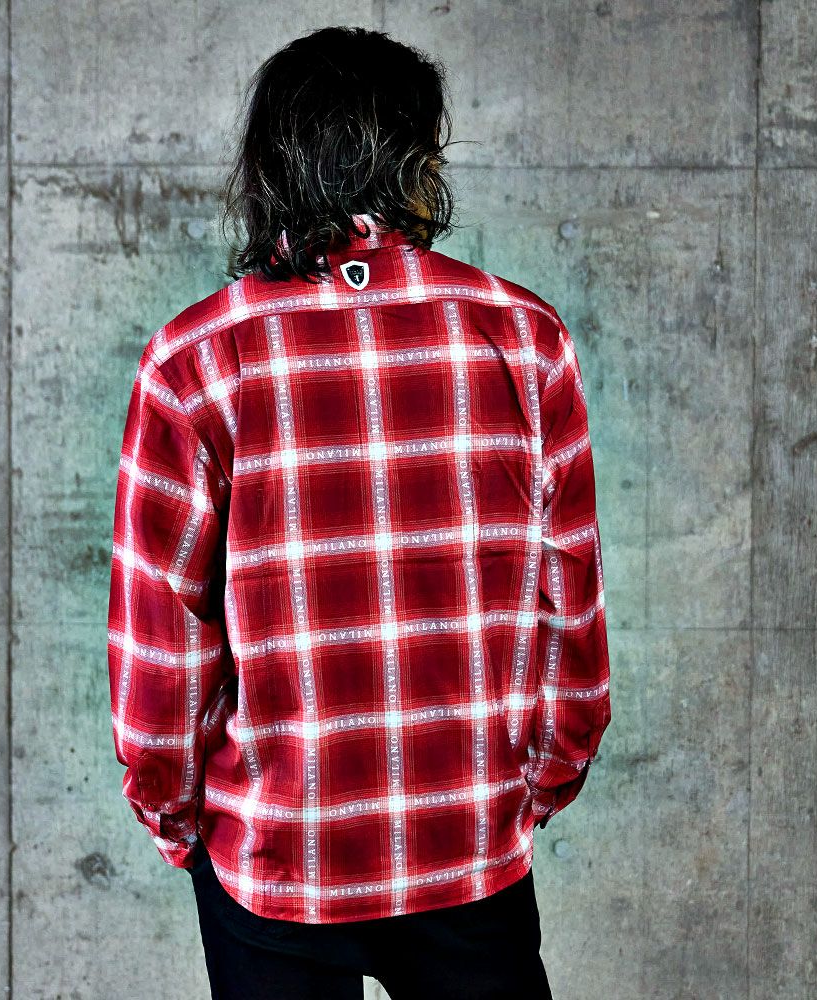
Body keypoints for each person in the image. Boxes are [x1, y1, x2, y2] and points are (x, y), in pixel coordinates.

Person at [106, 24, 611, 1000]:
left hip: (275, 856)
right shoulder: (524, 338)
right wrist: (537, 781)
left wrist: (177, 815)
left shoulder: (194, 359)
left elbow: (160, 645)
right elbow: (571, 612)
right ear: (415, 160)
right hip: (466, 843)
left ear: (269, 163)